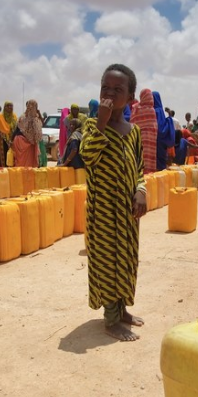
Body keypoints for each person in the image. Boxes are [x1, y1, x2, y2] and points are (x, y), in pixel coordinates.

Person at [80, 63, 146, 342]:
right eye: (105, 88)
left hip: (127, 212)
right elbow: (87, 156)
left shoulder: (133, 132)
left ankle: (121, 310)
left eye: (117, 89)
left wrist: (141, 191)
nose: (110, 93)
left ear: (130, 97)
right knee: (107, 261)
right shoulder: (92, 127)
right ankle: (110, 319)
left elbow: (140, 168)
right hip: (103, 212)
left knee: (127, 259)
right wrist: (102, 122)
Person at [129, 88, 158, 173]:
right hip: (150, 144)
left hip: (137, 141)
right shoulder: (152, 111)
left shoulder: (136, 109)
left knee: (138, 163)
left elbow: (131, 124)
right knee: (148, 163)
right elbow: (155, 129)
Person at [13, 99, 42, 168]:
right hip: (23, 142)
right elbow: (18, 129)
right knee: (23, 163)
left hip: (26, 142)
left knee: (25, 163)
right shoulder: (25, 118)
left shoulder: (33, 117)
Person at [152, 91, 175, 171]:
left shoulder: (153, 110)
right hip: (161, 142)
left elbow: (158, 127)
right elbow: (162, 128)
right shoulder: (159, 110)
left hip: (154, 141)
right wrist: (169, 119)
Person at [0, 101, 17, 168]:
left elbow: (15, 127)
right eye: (8, 106)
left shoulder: (14, 116)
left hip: (12, 138)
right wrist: (1, 130)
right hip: (2, 138)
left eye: (11, 106)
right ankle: (3, 171)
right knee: (3, 155)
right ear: (5, 107)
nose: (10, 107)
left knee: (12, 155)